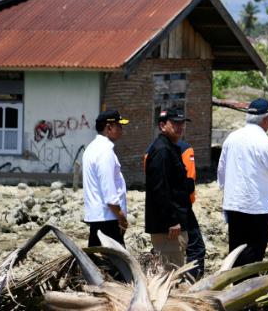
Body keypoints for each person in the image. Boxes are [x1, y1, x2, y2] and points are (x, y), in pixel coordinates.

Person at [218, 98, 268, 266]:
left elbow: (221, 170)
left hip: (234, 203)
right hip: (257, 205)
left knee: (236, 250)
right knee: (254, 252)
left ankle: (236, 287)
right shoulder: (264, 141)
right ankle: (249, 287)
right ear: (266, 119)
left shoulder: (232, 138)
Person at [143, 135, 206, 279]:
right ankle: (191, 283)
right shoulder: (180, 149)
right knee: (195, 248)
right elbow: (188, 179)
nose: (180, 127)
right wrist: (182, 210)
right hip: (179, 210)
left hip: (168, 210)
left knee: (166, 252)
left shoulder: (152, 149)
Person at [145, 107, 198, 269]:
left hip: (176, 223)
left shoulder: (171, 148)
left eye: (182, 123)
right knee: (171, 275)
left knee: (175, 270)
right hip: (168, 228)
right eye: (175, 123)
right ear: (162, 126)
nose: (180, 127)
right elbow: (160, 189)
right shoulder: (162, 150)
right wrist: (172, 221)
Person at [82, 109, 130, 248]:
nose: (122, 130)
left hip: (98, 218)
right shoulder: (104, 152)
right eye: (119, 126)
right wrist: (121, 218)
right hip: (108, 220)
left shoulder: (92, 148)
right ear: (109, 127)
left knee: (97, 266)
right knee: (115, 267)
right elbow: (109, 191)